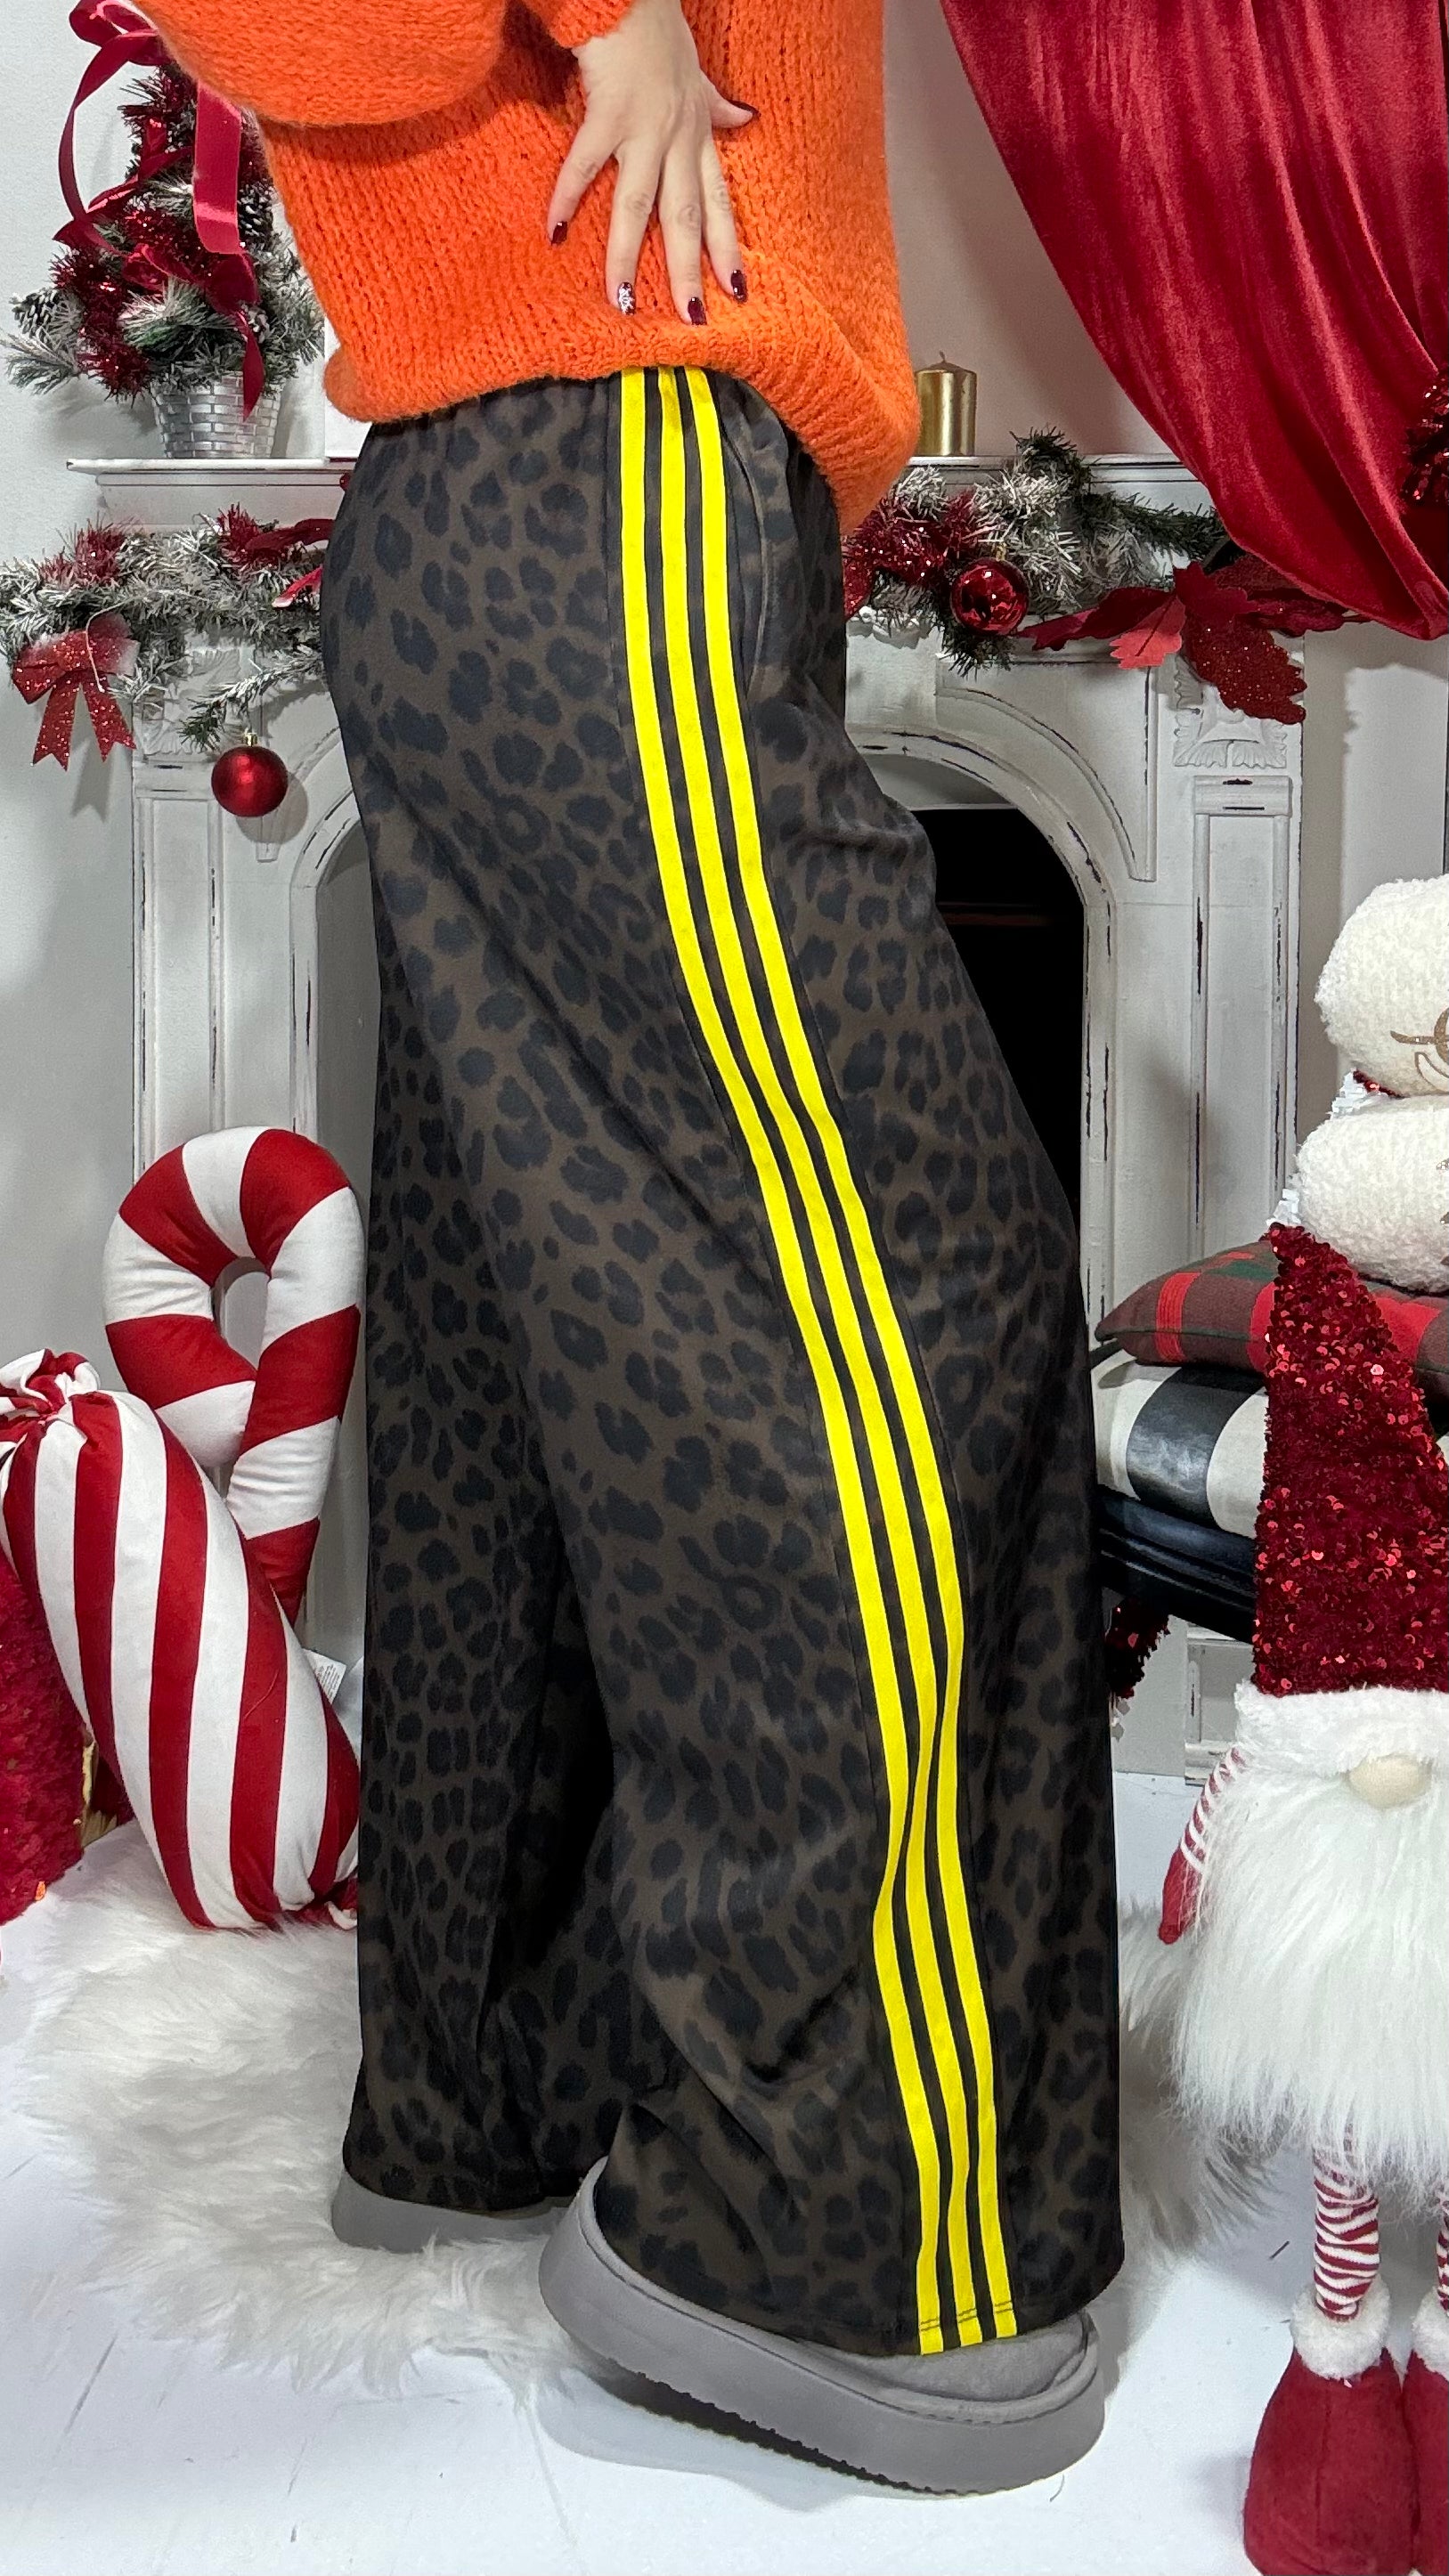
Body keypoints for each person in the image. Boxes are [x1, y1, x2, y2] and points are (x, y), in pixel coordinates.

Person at [144, 0, 1121, 2491]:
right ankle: (847, 2255)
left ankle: (500, 2081)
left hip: (542, 493)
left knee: (539, 1330)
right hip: (614, 468)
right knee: (902, 1321)